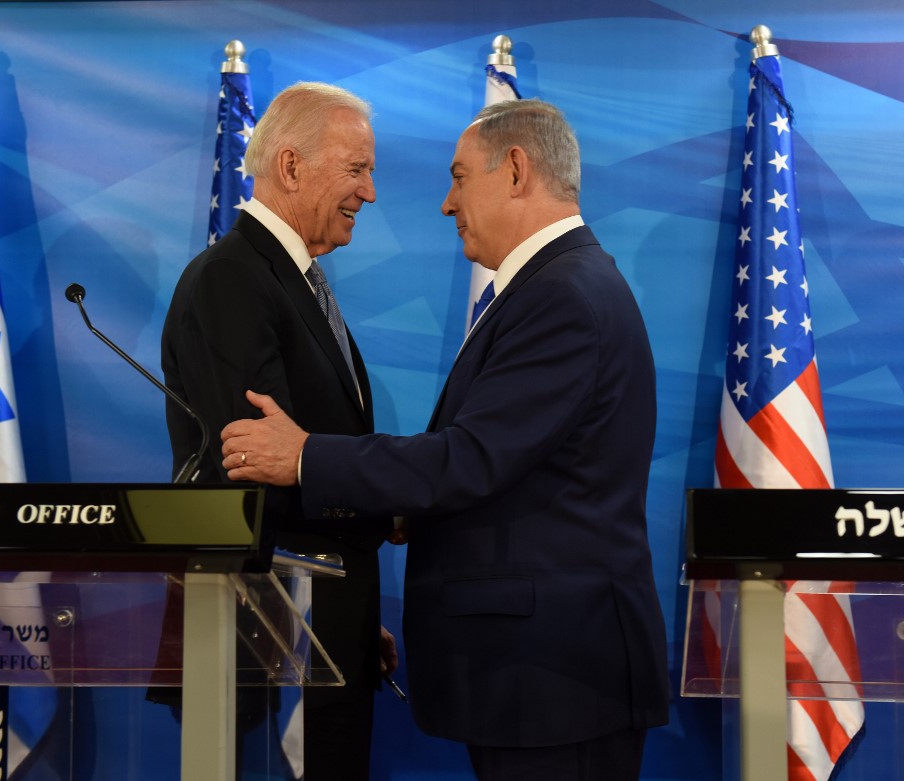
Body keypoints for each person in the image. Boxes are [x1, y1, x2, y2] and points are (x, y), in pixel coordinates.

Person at [218, 98, 670, 781]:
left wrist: (305, 456)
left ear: (516, 169)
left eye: (459, 177)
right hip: (542, 678)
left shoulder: (564, 297)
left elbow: (472, 456)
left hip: (556, 681)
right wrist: (403, 507)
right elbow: (517, 461)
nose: (446, 202)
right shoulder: (558, 287)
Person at [161, 81, 396, 779]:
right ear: (291, 166)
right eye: (357, 170)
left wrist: (353, 606)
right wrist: (390, 500)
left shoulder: (294, 280)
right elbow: (258, 467)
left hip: (314, 628)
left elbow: (306, 453)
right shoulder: (233, 279)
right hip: (264, 650)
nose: (371, 192)